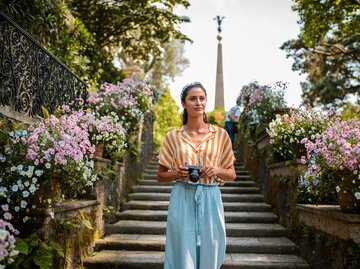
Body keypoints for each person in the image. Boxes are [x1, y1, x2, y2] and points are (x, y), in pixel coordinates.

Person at [157, 82, 236, 269]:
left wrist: (216, 170)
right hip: (182, 196)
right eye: (192, 98)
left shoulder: (221, 135)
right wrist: (177, 173)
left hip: (211, 197)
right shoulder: (172, 137)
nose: (198, 102)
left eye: (202, 98)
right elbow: (160, 176)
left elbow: (231, 174)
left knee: (212, 246)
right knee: (182, 250)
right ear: (184, 103)